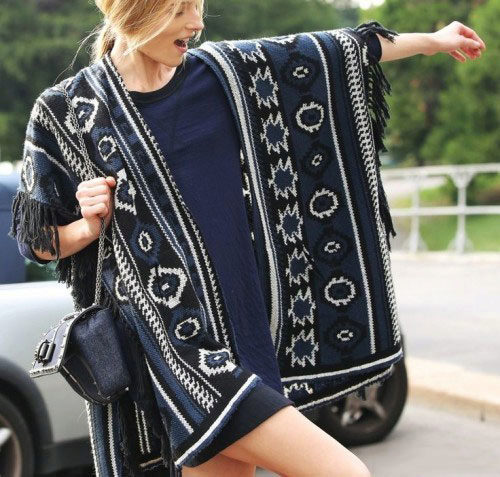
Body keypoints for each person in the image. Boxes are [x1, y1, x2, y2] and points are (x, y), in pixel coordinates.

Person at [12, 1, 485, 476]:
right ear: (136, 12)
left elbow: (333, 51)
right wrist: (88, 226)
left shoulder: (224, 74)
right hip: (181, 359)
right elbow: (39, 243)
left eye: (198, 6)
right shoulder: (67, 111)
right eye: (179, 11)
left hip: (248, 335)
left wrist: (433, 42)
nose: (197, 23)